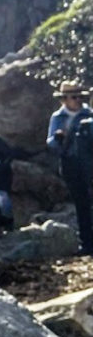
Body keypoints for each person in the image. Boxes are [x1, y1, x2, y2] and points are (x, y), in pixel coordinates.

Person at [46, 80, 93, 256]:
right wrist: (58, 138)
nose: (78, 100)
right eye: (74, 97)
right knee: (81, 204)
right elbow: (50, 143)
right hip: (71, 164)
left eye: (80, 96)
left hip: (89, 162)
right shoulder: (58, 117)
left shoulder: (89, 114)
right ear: (64, 99)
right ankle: (87, 242)